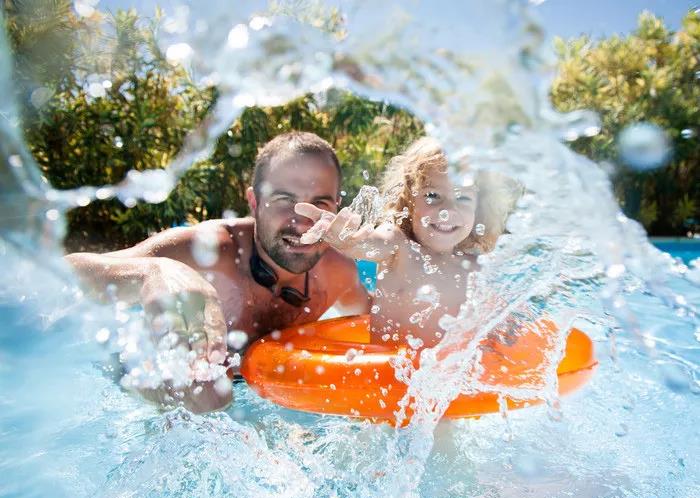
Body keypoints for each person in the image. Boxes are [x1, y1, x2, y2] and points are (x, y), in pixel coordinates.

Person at [66, 131, 371, 413]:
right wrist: (153, 272)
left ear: (336, 206)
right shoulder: (208, 251)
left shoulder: (338, 271)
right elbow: (69, 272)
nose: (303, 222)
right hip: (139, 389)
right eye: (284, 200)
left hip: (255, 400)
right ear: (254, 201)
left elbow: (381, 324)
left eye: (319, 203)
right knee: (208, 393)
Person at [296, 136, 520, 348]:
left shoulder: (478, 269)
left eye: (462, 198)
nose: (447, 210)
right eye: (432, 196)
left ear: (478, 209)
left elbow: (498, 331)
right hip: (388, 379)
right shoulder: (399, 246)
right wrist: (348, 240)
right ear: (410, 201)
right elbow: (371, 243)